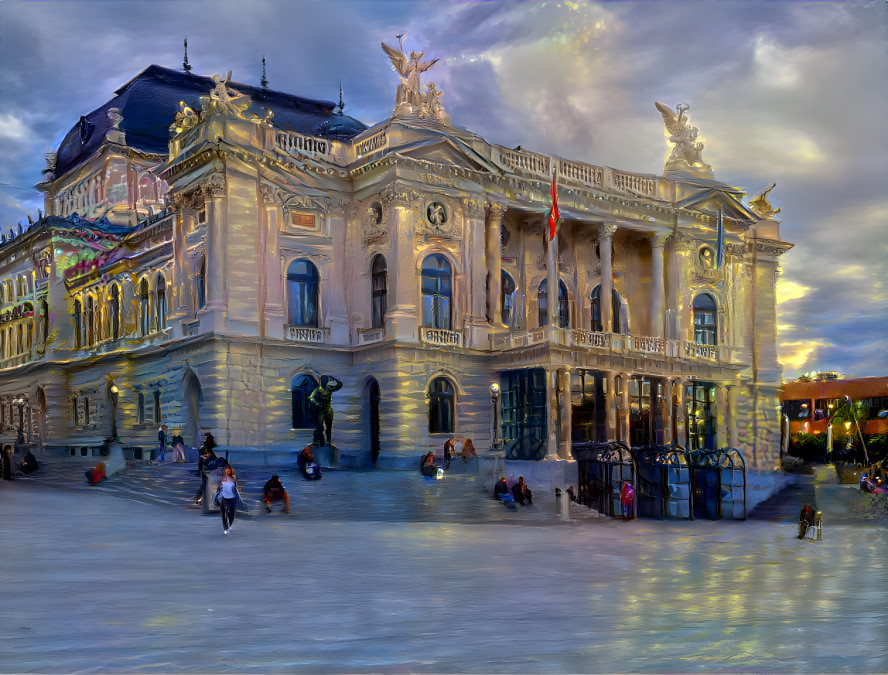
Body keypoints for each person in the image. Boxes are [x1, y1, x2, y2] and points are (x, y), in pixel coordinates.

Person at [308, 375, 343, 446]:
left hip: (326, 410)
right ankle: (322, 442)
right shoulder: (322, 389)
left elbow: (339, 385)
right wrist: (317, 404)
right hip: (323, 411)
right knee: (321, 427)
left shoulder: (325, 388)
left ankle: (327, 442)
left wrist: (317, 404)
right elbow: (311, 398)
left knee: (327, 427)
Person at [214, 465, 246, 535]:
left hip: (232, 498)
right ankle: (225, 528)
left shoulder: (233, 478)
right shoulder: (222, 478)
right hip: (223, 497)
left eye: (229, 471)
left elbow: (235, 487)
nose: (227, 472)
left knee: (231, 514)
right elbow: (219, 488)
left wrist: (238, 490)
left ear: (231, 471)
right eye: (226, 470)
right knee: (223, 513)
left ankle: (229, 524)